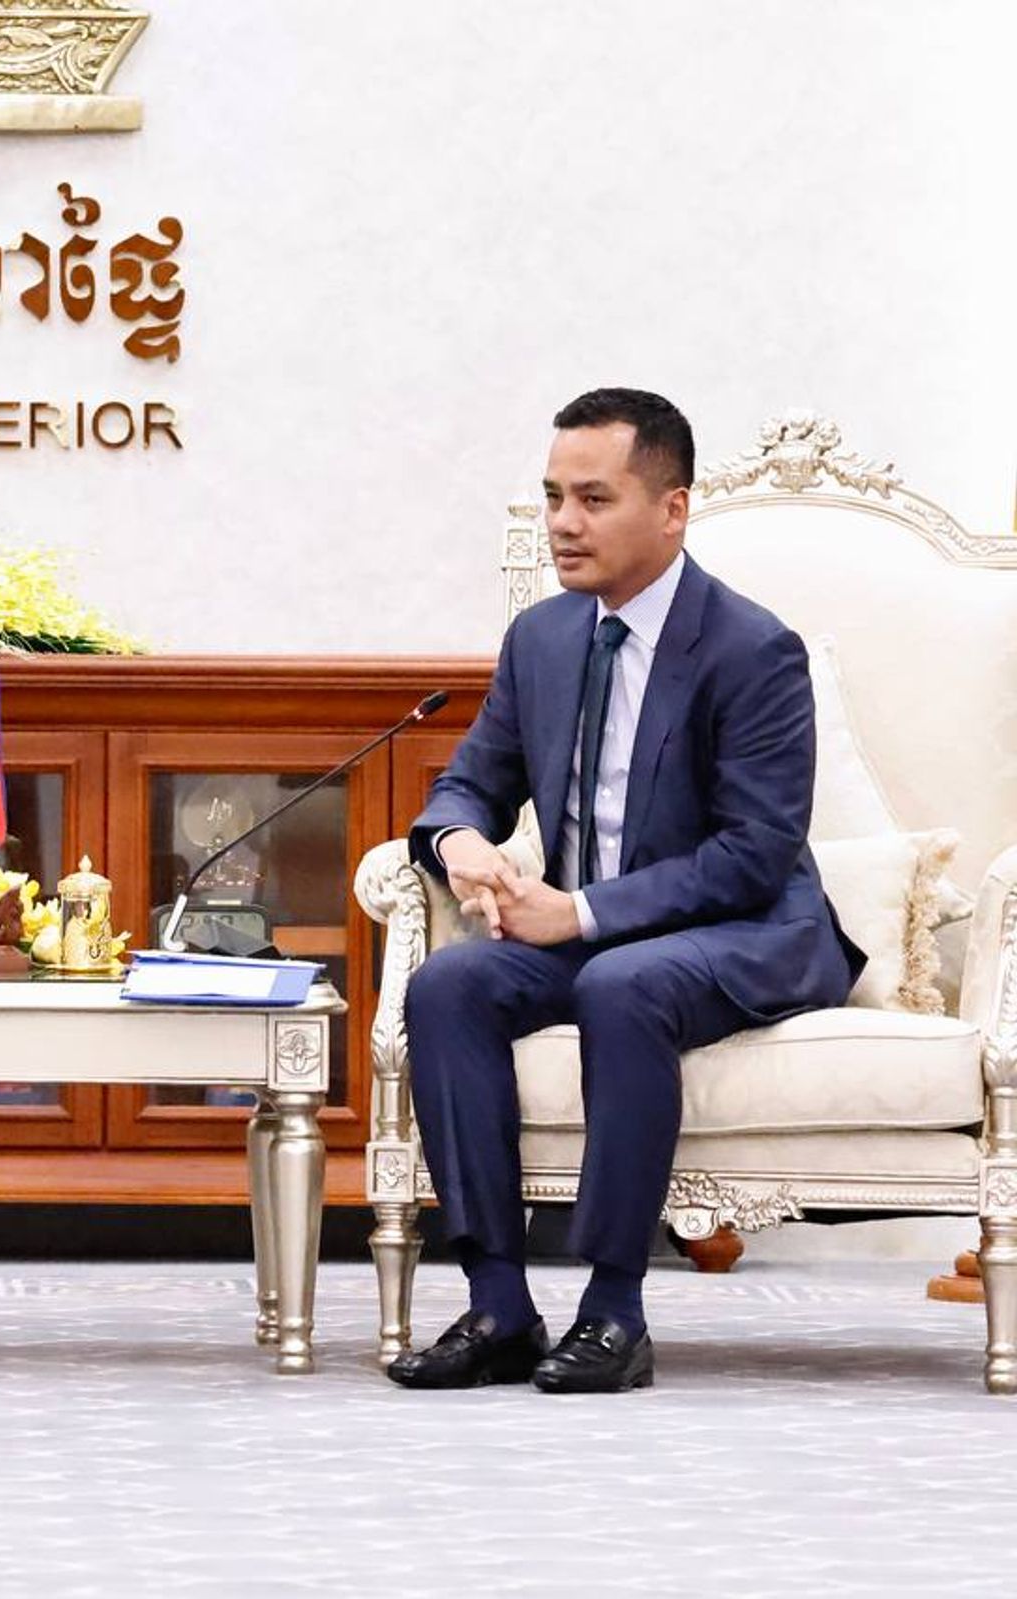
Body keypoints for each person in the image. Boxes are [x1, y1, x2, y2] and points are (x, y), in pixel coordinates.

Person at [387, 387, 861, 1395]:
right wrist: (461, 841)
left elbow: (754, 853)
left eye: (594, 499)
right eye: (554, 496)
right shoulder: (543, 639)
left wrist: (580, 912)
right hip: (595, 933)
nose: (563, 522)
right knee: (448, 986)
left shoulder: (752, 649)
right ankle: (499, 1305)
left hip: (745, 929)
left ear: (672, 509)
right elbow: (470, 781)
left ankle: (614, 1312)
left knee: (622, 983)